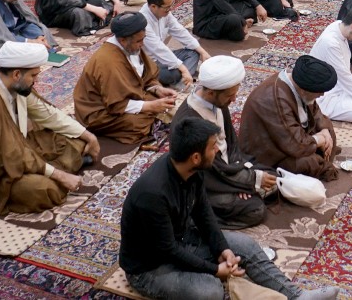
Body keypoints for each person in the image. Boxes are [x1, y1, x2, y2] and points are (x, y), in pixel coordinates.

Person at [120, 115, 339, 300]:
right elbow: (168, 250)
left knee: (245, 245)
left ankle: (296, 296)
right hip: (150, 267)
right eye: (212, 147)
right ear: (195, 157)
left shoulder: (192, 170)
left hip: (183, 240)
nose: (217, 150)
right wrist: (215, 270)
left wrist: (222, 248)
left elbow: (204, 215)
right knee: (210, 291)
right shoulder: (153, 194)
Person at [0, 41, 98, 216]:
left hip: (18, 146)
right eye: (34, 75)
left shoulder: (15, 86)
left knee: (76, 140)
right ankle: (57, 172)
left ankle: (51, 169)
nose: (37, 80)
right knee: (44, 189)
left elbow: (47, 114)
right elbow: (11, 155)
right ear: (17, 74)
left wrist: (89, 136)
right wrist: (60, 176)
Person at [171, 57, 277, 229]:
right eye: (230, 95)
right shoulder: (190, 123)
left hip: (227, 170)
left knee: (273, 176)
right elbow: (208, 171)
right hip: (206, 183)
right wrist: (244, 183)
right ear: (211, 93)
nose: (234, 99)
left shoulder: (218, 103)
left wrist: (243, 179)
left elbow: (232, 145)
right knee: (256, 210)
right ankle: (196, 221)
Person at [74, 12, 178, 144]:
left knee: (162, 103)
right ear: (122, 40)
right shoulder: (108, 62)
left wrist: (157, 89)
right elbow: (116, 104)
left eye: (143, 39)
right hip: (99, 111)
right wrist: (151, 106)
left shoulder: (131, 46)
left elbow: (145, 77)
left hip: (124, 98)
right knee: (137, 123)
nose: (142, 44)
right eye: (139, 41)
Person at [238, 55, 340, 181]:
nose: (322, 95)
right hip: (269, 153)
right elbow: (294, 144)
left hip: (292, 140)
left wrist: (324, 131)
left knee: (328, 130)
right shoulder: (275, 98)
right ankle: (323, 164)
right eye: (319, 91)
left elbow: (316, 112)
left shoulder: (300, 87)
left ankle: (322, 159)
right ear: (305, 89)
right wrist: (319, 139)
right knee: (307, 163)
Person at [141, 0, 209, 87]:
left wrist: (203, 52)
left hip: (163, 59)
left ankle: (181, 80)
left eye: (171, 6)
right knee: (173, 73)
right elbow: (158, 48)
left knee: (194, 52)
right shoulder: (143, 21)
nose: (170, 10)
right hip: (149, 64)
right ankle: (182, 79)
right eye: (167, 8)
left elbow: (179, 31)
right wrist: (183, 69)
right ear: (153, 6)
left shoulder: (165, 13)